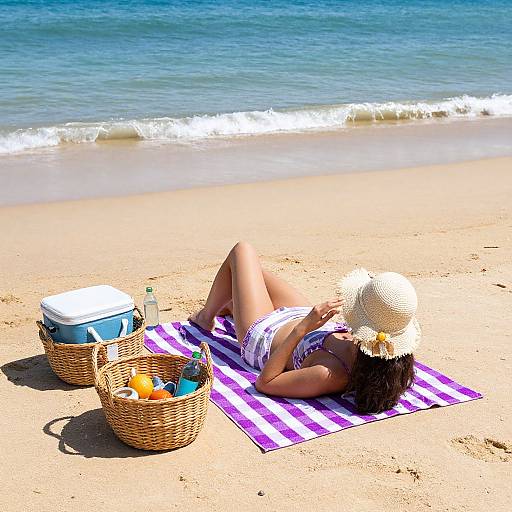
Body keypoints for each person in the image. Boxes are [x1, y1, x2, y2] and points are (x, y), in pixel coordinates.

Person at [189, 242, 421, 413]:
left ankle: (206, 316)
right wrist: (309, 321)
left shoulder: (329, 374)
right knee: (250, 273)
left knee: (242, 252)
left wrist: (303, 328)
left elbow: (266, 382)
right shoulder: (380, 353)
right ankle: (233, 304)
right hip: (301, 317)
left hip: (264, 334)